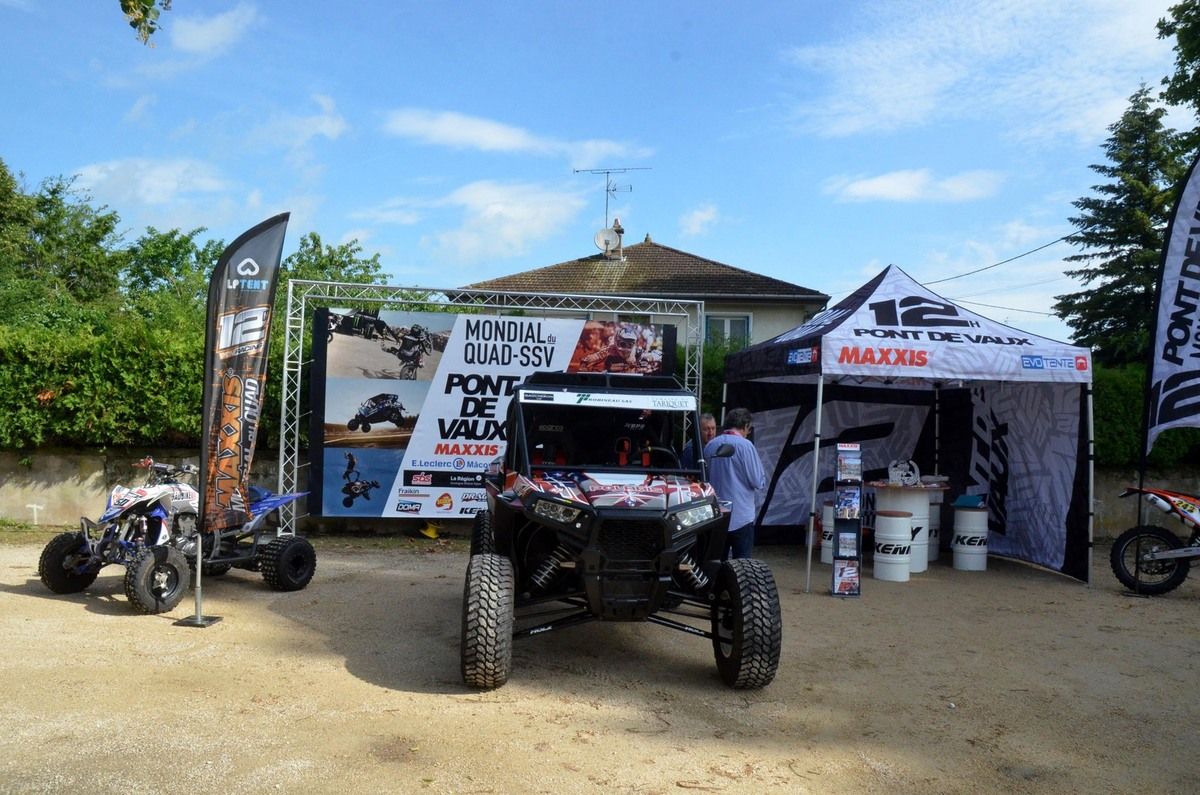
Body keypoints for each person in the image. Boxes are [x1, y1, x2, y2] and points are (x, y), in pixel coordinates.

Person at [703, 408, 766, 559]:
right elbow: (757, 481)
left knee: (717, 561)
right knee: (742, 564)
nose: (747, 433)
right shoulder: (746, 446)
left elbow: (705, 478)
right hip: (741, 514)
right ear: (745, 426)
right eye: (748, 429)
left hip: (716, 513)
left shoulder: (710, 445)